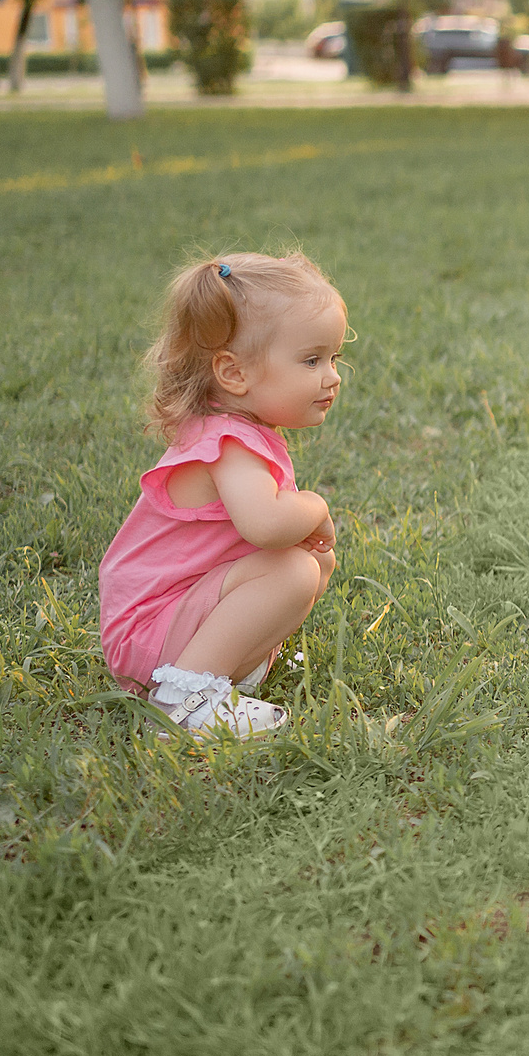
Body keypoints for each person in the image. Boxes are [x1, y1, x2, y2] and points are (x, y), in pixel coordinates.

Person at [99, 252, 347, 735]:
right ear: (234, 374)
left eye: (334, 358)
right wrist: (316, 505)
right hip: (149, 627)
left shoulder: (234, 430)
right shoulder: (229, 445)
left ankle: (224, 671)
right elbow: (268, 525)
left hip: (164, 621)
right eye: (312, 360)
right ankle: (184, 702)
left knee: (314, 563)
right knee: (294, 567)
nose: (333, 376)